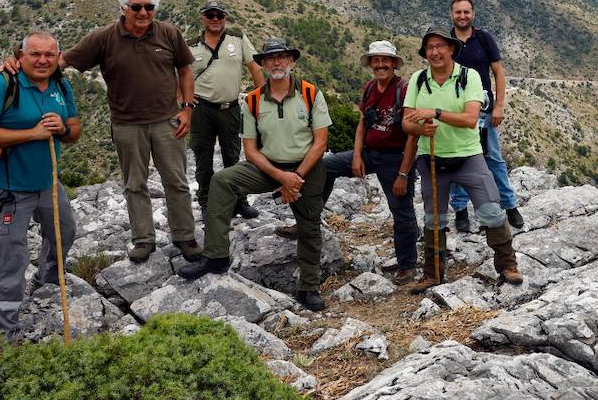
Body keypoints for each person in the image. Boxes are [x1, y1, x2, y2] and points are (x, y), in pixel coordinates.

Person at [177, 38, 332, 312]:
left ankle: (308, 287)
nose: (277, 62)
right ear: (262, 64)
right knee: (222, 181)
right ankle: (216, 255)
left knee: (309, 225)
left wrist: (294, 176)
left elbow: (320, 142)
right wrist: (281, 178)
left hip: (306, 167)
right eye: (270, 59)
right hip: (268, 165)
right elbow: (250, 150)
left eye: (282, 57)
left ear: (292, 61)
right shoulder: (254, 100)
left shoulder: (310, 94)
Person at [61, 0, 199, 263]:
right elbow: (63, 61)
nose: (143, 12)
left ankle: (185, 237)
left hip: (167, 122)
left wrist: (186, 109)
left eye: (149, 7)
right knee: (135, 184)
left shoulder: (169, 34)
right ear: (123, 8)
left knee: (177, 182)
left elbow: (185, 71)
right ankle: (143, 239)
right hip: (126, 124)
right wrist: (19, 65)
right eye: (136, 7)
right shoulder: (104, 38)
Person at [0, 31, 81, 336]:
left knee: (64, 230)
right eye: (35, 54)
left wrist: (63, 128)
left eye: (49, 55)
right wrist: (32, 134)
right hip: (7, 187)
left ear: (58, 58)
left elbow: (74, 130)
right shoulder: (1, 84)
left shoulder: (60, 84)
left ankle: (46, 282)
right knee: (11, 253)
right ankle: (4, 329)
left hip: (47, 181)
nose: (42, 60)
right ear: (21, 55)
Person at [402, 26, 522, 288]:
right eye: (430, 48)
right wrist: (420, 128)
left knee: (491, 209)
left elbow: (470, 120)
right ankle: (433, 274)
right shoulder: (418, 80)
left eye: (440, 46)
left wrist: (434, 112)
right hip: (431, 159)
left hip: (468, 156)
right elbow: (407, 124)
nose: (434, 52)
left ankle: (508, 265)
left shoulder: (470, 78)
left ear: (452, 49)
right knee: (434, 219)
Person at [316, 40, 420, 283]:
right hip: (370, 152)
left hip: (396, 158)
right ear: (371, 63)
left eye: (385, 60)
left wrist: (403, 174)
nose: (380, 64)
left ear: (394, 63)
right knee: (325, 166)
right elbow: (363, 123)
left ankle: (407, 265)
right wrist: (355, 156)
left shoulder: (403, 90)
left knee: (401, 209)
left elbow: (412, 135)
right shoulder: (370, 88)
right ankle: (309, 220)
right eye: (376, 60)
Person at [447, 0, 521, 232]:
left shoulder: (484, 39)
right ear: (452, 14)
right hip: (456, 111)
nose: (462, 16)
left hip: (484, 110)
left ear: (473, 14)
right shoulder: (447, 42)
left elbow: (498, 72)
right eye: (458, 12)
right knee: (457, 159)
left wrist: (499, 106)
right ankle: (460, 209)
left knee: (494, 160)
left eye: (466, 12)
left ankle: (510, 206)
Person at [188, 0, 264, 220]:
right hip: (201, 109)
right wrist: (182, 98)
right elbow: (179, 75)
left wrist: (263, 99)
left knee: (232, 157)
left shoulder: (237, 38)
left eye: (219, 15)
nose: (215, 19)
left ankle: (238, 201)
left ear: (225, 17)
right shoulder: (191, 45)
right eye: (210, 15)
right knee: (204, 158)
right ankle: (205, 201)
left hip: (229, 108)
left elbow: (254, 68)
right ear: (202, 18)